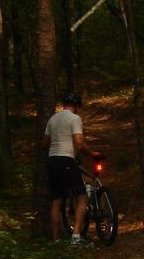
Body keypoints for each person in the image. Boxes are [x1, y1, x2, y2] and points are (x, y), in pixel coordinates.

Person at [42, 91, 101, 246]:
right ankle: (76, 237)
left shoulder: (52, 119)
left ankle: (55, 240)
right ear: (76, 106)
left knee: (56, 200)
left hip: (52, 161)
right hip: (66, 160)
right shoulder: (75, 118)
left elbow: (45, 144)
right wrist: (91, 153)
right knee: (82, 197)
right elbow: (79, 142)